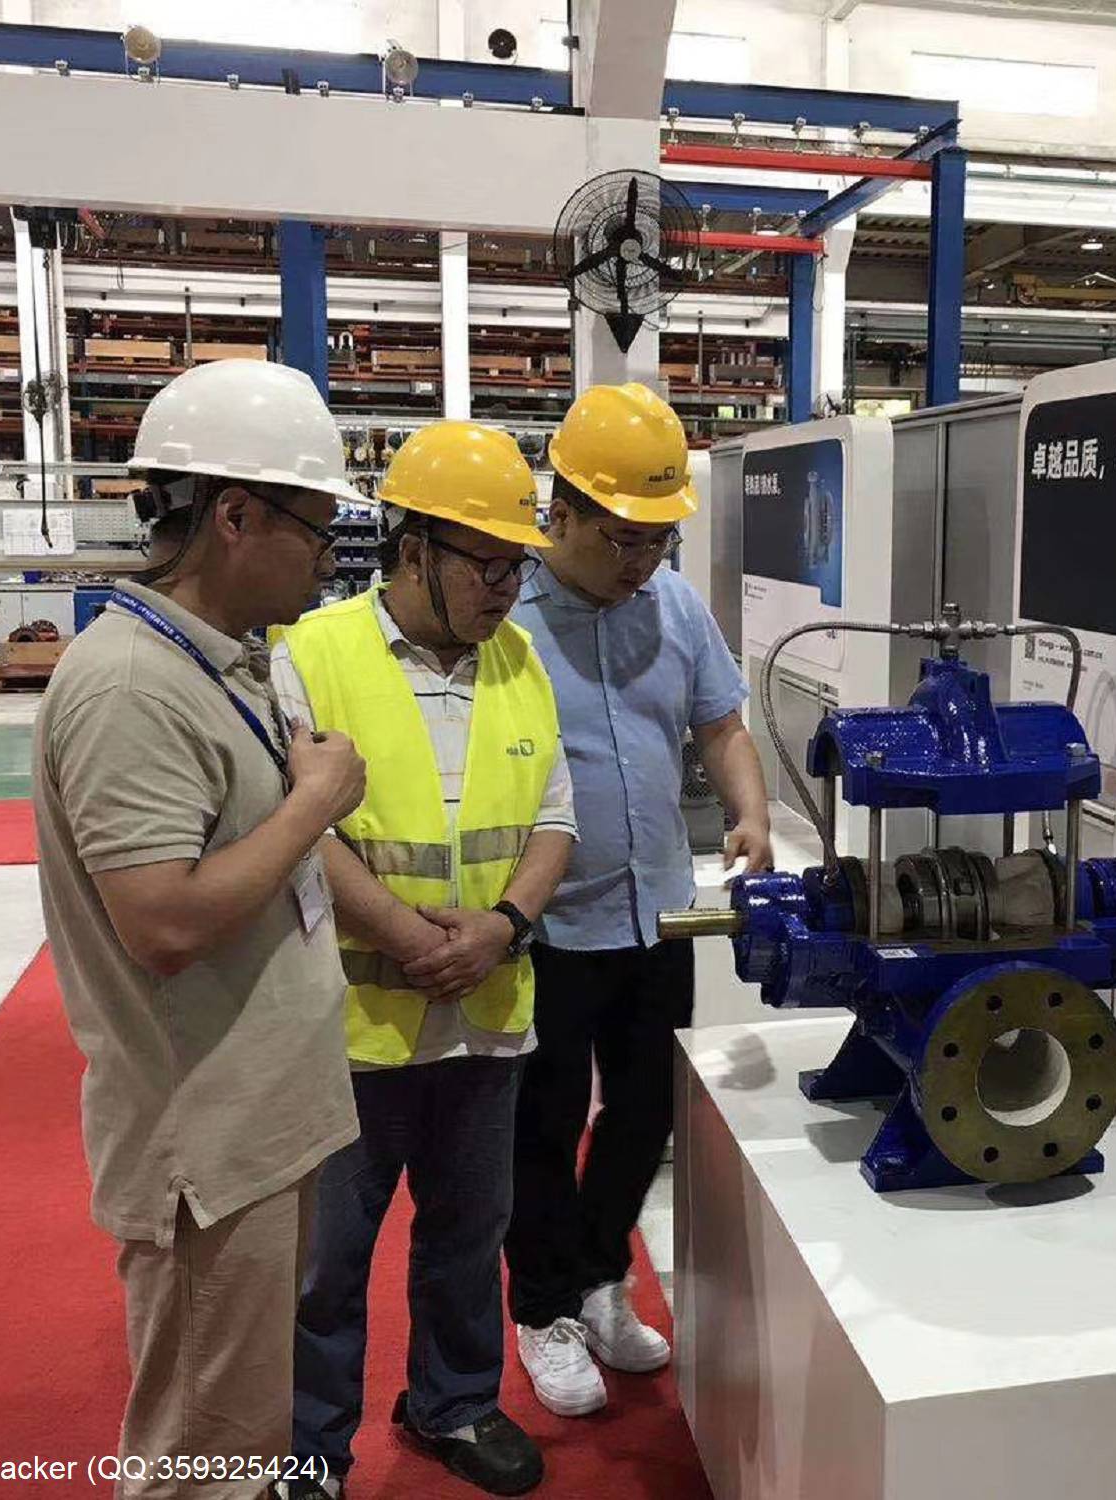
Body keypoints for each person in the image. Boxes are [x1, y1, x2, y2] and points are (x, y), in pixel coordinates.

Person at [32, 360, 367, 1500]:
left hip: (256, 1121)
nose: (327, 557)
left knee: (244, 1433)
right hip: (204, 1148)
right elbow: (163, 921)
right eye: (314, 527)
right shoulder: (132, 687)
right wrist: (315, 803)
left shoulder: (218, 661)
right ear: (233, 515)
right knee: (201, 1460)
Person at [269, 422, 576, 1499]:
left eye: (517, 566)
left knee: (468, 1233)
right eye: (486, 564)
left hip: (486, 1014)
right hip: (352, 1030)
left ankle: (454, 1403)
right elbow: (295, 829)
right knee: (325, 1259)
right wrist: (404, 938)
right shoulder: (311, 654)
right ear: (412, 551)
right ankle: (309, 1448)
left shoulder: (521, 659)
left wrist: (504, 926)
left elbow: (554, 819)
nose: (506, 588)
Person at [505, 382, 775, 1417]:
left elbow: (721, 724)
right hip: (545, 921)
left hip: (658, 908)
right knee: (540, 1122)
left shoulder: (674, 604)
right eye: (624, 539)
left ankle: (597, 1277)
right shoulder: (508, 620)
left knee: (646, 1110)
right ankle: (541, 1309)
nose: (642, 561)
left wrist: (750, 813)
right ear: (561, 513)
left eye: (659, 540)